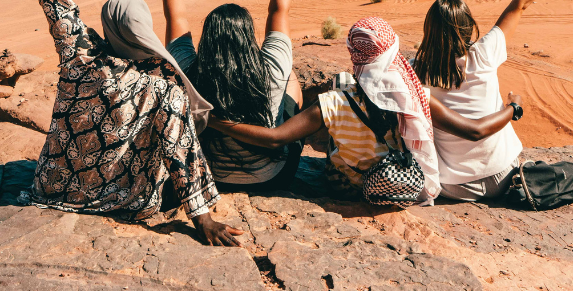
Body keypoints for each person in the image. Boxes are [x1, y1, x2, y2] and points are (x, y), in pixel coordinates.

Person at [0, 0, 243, 246]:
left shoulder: (78, 54)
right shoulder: (163, 86)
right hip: (128, 202)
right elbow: (179, 147)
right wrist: (202, 218)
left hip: (53, 191)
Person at [209, 17, 518, 206]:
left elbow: (275, 139)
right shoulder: (415, 94)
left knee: (339, 88)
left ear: (355, 55)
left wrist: (218, 122)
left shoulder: (331, 104)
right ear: (392, 52)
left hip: (347, 188)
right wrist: (512, 108)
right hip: (400, 182)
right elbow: (473, 130)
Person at [413, 0, 573, 202]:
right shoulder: (484, 53)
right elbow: (520, 5)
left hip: (453, 188)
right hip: (503, 177)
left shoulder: (414, 72)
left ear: (428, 30)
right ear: (469, 28)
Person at [153, 0, 307, 192]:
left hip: (213, 178)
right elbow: (279, 11)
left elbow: (175, 18)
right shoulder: (271, 69)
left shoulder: (190, 69)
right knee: (289, 76)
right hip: (273, 177)